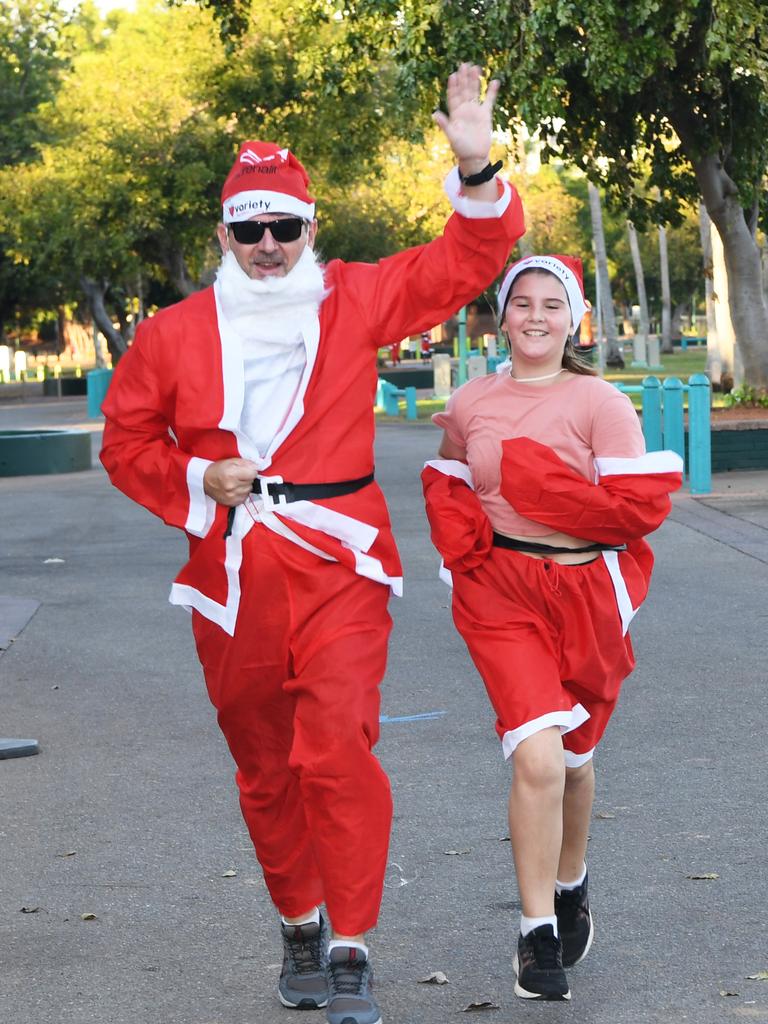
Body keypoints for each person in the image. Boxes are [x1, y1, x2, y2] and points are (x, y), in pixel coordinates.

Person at [100, 64, 524, 1024]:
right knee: (263, 762)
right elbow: (125, 443)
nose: (265, 246)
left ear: (309, 230)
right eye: (247, 228)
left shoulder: (357, 299)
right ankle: (298, 917)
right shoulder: (171, 334)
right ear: (222, 234)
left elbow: (471, 255)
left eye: (283, 227)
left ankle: (350, 946)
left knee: (336, 748)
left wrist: (473, 159)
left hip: (340, 562)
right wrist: (195, 482)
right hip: (232, 573)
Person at [421, 254, 682, 1002]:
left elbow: (632, 510)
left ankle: (572, 881)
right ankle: (537, 936)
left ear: (573, 319)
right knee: (534, 752)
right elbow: (449, 479)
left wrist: (536, 481)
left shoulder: (600, 402)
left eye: (551, 305)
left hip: (585, 595)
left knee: (573, 757)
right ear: (500, 316)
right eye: (521, 304)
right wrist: (464, 533)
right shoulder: (472, 400)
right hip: (501, 592)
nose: (535, 317)